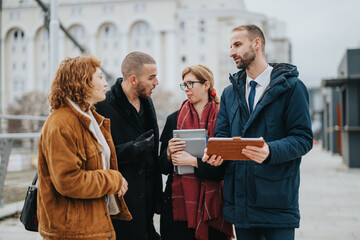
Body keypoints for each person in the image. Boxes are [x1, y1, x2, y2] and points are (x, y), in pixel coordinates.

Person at [202, 24, 313, 240]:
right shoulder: (229, 93)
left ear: (256, 43)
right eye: (230, 46)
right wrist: (216, 155)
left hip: (277, 202)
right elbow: (222, 137)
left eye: (237, 44)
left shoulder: (292, 87)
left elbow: (303, 138)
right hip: (241, 204)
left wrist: (270, 150)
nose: (231, 52)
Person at [37, 55, 132, 240]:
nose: (106, 83)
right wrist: (113, 179)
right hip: (72, 231)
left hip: (89, 224)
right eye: (100, 77)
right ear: (83, 81)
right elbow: (68, 181)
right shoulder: (61, 123)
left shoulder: (89, 118)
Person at [159, 64, 233, 240]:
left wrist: (192, 161)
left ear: (206, 84)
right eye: (184, 84)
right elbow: (161, 166)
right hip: (178, 207)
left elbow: (225, 168)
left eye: (191, 83)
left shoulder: (224, 119)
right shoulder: (174, 119)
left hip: (214, 207)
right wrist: (169, 153)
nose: (187, 89)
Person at [95, 51, 162, 240]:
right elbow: (95, 156)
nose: (156, 82)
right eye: (152, 77)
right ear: (133, 79)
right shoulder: (102, 107)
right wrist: (133, 149)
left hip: (147, 207)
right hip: (120, 206)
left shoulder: (148, 103)